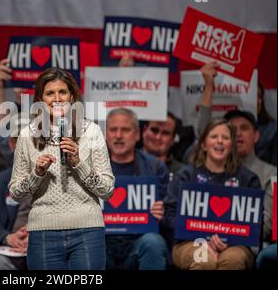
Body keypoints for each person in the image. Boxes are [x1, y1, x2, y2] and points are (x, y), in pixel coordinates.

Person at [8, 67, 115, 270]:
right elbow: (15, 193)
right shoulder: (26, 136)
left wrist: (78, 163)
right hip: (43, 232)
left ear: (72, 96)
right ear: (40, 99)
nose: (57, 98)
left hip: (87, 230)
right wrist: (37, 174)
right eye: (50, 93)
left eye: (62, 92)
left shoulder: (91, 131)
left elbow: (107, 190)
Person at [164, 118, 261, 270]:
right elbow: (169, 214)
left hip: (234, 244)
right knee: (204, 260)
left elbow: (254, 224)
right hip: (189, 242)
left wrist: (230, 239)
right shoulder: (185, 176)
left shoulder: (248, 179)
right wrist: (201, 237)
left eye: (226, 138)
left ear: (232, 145)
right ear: (203, 144)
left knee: (233, 261)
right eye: (214, 136)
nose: (220, 141)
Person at [105, 108, 170, 270]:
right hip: (102, 242)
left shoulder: (156, 167)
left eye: (125, 130)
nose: (118, 135)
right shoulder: (91, 166)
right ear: (106, 134)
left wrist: (162, 211)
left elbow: (171, 212)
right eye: (113, 130)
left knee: (153, 242)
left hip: (139, 241)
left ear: (137, 134)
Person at [197, 61, 277, 166]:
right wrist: (208, 86)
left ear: (256, 135)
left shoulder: (272, 132)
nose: (238, 134)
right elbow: (204, 133)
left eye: (258, 96)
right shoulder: (217, 168)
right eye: (233, 130)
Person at [0, 113, 31, 270]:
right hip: (10, 250)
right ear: (12, 144)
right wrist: (8, 237)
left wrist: (38, 236)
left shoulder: (59, 178)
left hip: (47, 245)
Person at [142, 112, 184, 180]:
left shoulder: (182, 173)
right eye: (154, 130)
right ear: (144, 131)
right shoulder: (126, 165)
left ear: (173, 139)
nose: (158, 137)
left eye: (165, 133)